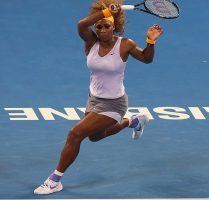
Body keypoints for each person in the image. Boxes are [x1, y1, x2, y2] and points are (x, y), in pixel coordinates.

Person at [34, 0, 163, 195]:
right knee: (95, 137)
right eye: (99, 26)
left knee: (74, 134)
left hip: (115, 103)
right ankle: (134, 121)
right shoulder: (90, 43)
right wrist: (105, 11)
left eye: (107, 26)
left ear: (114, 27)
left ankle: (54, 180)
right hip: (94, 99)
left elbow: (146, 59)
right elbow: (81, 24)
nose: (102, 30)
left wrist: (150, 41)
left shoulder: (125, 44)